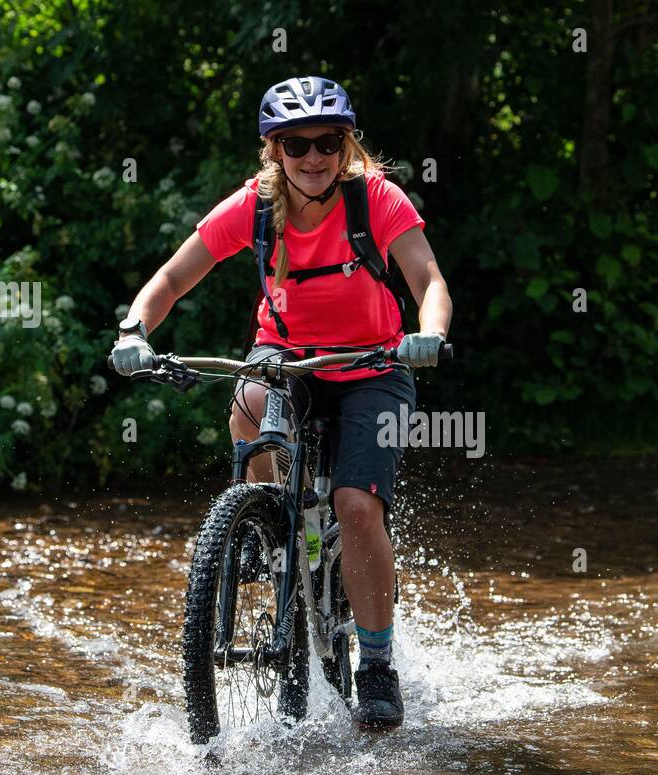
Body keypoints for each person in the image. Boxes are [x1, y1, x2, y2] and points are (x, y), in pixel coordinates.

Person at [110, 76, 453, 729]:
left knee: (355, 506)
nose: (314, 156)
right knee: (248, 393)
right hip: (287, 355)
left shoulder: (376, 199)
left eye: (328, 142)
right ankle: (258, 519)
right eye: (297, 144)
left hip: (372, 365)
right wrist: (134, 331)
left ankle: (376, 667)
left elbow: (428, 279)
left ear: (345, 145)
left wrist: (429, 334)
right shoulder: (255, 207)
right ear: (276, 152)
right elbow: (173, 277)